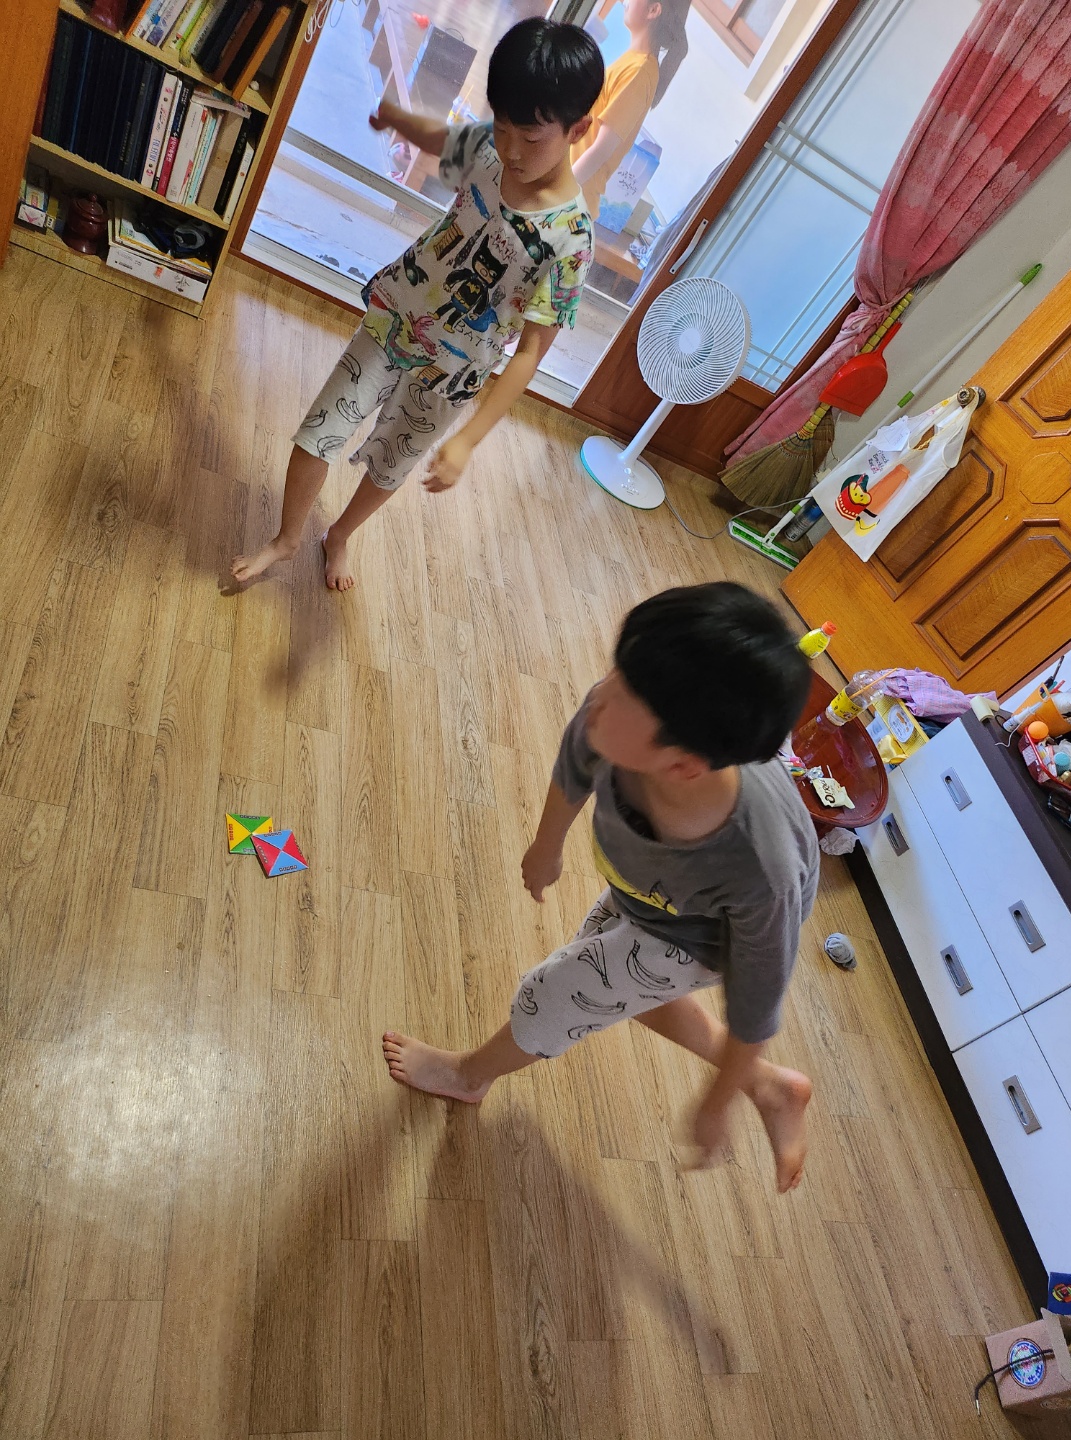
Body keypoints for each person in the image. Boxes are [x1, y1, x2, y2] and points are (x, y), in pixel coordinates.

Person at [383, 582, 820, 1192]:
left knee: (557, 993)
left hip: (699, 937)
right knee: (624, 991)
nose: (601, 694)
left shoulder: (758, 871)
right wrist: (546, 846)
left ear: (683, 764)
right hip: (647, 893)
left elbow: (757, 1004)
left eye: (625, 694)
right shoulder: (612, 716)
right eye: (621, 670)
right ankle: (770, 1087)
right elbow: (575, 763)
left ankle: (468, 1075)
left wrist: (714, 1104)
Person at [231, 18, 603, 591]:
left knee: (391, 465)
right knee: (319, 429)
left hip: (453, 373)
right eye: (503, 126)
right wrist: (397, 120)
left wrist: (468, 440)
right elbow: (445, 142)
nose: (510, 149)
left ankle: (339, 536)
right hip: (396, 318)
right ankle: (286, 539)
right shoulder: (490, 148)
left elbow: (531, 353)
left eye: (530, 139)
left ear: (579, 128)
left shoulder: (571, 241)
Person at [571, 0, 691, 222]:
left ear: (653, 10)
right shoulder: (634, 62)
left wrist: (557, 197)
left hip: (571, 203)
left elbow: (601, 150)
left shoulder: (639, 72)